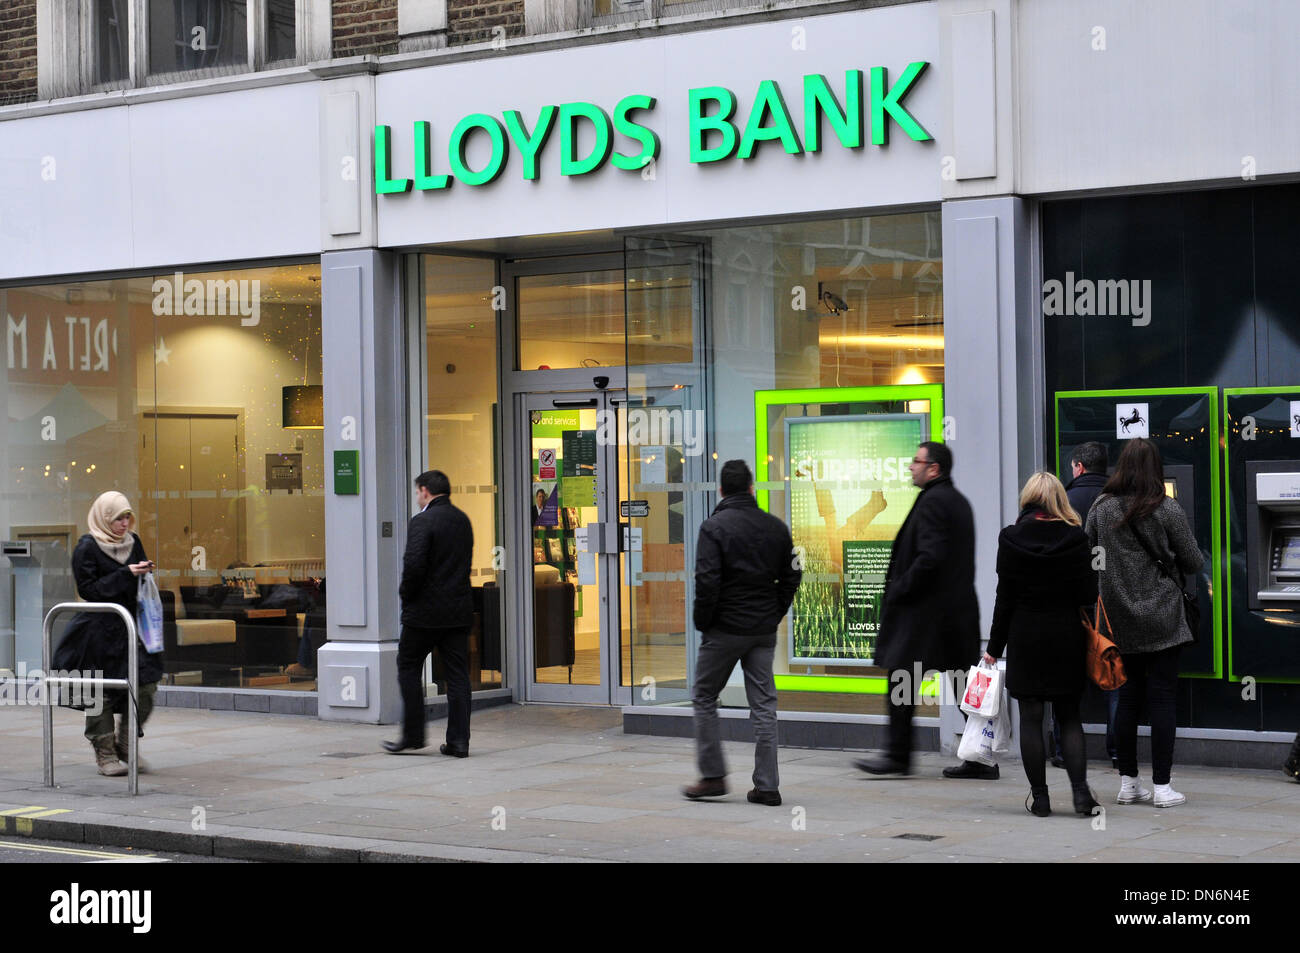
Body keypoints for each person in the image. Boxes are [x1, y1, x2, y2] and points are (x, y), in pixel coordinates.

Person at [855, 442, 984, 778]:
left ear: (934, 468)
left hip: (927, 616)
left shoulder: (934, 502)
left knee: (902, 677)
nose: (911, 467)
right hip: (954, 614)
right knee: (960, 685)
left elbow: (930, 558)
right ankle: (982, 757)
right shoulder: (956, 501)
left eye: (916, 461)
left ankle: (898, 756)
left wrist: (899, 588)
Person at [1086, 438, 1201, 808]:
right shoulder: (1166, 509)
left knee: (1128, 699)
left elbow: (1089, 553)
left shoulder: (1101, 508)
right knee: (1163, 699)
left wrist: (1112, 579)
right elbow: (1194, 561)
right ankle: (1164, 787)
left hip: (1119, 619)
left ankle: (1128, 783)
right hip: (1164, 617)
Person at [682, 460, 801, 806]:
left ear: (721, 491)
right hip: (762, 631)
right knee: (764, 706)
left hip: (724, 629)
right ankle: (767, 786)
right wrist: (774, 611)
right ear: (751, 488)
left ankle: (713, 776)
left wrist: (705, 622)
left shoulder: (713, 528)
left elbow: (707, 582)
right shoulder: (775, 527)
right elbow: (793, 575)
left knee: (704, 695)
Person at [984, 472, 1100, 817]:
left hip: (1026, 636)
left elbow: (1003, 599)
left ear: (1028, 499)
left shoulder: (1010, 538)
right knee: (1069, 717)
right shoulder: (1076, 539)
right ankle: (1081, 795)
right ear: (1058, 500)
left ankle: (1041, 798)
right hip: (1066, 634)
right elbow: (1088, 595)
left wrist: (993, 647)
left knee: (1031, 718)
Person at [51, 492, 163, 777]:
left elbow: (136, 574)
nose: (124, 524)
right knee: (98, 690)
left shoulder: (133, 542)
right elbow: (89, 589)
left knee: (145, 684)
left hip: (131, 626)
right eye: (117, 519)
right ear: (104, 518)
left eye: (127, 518)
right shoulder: (87, 546)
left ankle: (126, 742)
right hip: (99, 629)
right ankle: (105, 751)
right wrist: (126, 573)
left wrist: (143, 572)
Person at [383, 470, 474, 757]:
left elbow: (414, 566)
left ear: (425, 491)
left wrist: (405, 596)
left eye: (418, 492)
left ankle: (413, 734)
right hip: (457, 612)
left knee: (408, 667)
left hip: (424, 614)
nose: (417, 497)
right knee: (458, 677)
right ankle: (459, 741)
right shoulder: (462, 520)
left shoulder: (422, 521)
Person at [1057, 440, 1115, 770]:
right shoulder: (1120, 499)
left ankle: (1064, 751)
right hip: (1113, 601)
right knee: (1114, 673)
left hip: (1074, 602)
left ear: (1078, 467)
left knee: (1068, 678)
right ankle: (1118, 749)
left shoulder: (1065, 501)